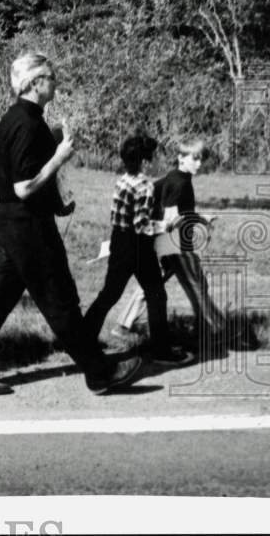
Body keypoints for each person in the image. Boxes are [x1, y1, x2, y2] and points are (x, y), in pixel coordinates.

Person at [0, 52, 143, 395]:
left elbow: (24, 179)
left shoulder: (21, 118)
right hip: (27, 229)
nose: (56, 82)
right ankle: (100, 374)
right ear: (35, 82)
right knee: (61, 302)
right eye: (51, 77)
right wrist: (60, 156)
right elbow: (23, 186)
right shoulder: (26, 124)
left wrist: (56, 203)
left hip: (15, 223)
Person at [83, 134, 191, 365]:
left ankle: (80, 340)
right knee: (156, 295)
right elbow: (142, 225)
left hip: (119, 242)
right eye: (151, 158)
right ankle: (162, 351)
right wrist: (168, 225)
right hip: (138, 246)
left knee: (109, 294)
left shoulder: (122, 180)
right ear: (143, 161)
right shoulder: (145, 185)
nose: (154, 161)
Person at [114, 138, 230, 349]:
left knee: (154, 284)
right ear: (180, 158)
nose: (199, 163)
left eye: (201, 159)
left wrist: (201, 218)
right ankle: (216, 329)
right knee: (197, 285)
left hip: (163, 242)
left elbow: (166, 205)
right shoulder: (180, 183)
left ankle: (123, 325)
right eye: (194, 158)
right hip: (175, 243)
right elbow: (172, 218)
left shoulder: (173, 177)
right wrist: (197, 222)